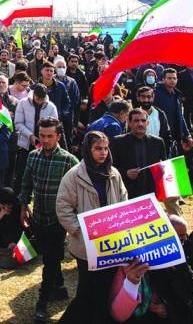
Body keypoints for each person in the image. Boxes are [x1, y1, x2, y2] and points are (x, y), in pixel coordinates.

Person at [56, 131, 128, 324]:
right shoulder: (74, 176)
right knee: (87, 290)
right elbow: (63, 208)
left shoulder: (114, 174)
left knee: (107, 288)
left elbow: (123, 200)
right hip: (86, 248)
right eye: (98, 148)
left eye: (105, 148)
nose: (103, 152)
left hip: (112, 244)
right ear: (88, 150)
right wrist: (81, 232)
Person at [19, 117, 78, 321]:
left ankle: (42, 302)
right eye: (42, 136)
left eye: (49, 136)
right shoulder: (33, 157)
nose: (44, 140)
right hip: (38, 217)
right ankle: (59, 286)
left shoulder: (69, 160)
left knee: (50, 260)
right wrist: (23, 206)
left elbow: (77, 192)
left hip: (58, 220)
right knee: (48, 255)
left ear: (58, 136)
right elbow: (26, 184)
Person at [110, 107, 168, 199]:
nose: (140, 124)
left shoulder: (157, 142)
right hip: (126, 194)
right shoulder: (118, 142)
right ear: (129, 123)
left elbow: (164, 165)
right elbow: (110, 168)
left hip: (150, 194)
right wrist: (125, 173)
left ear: (147, 123)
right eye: (136, 121)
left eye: (143, 120)